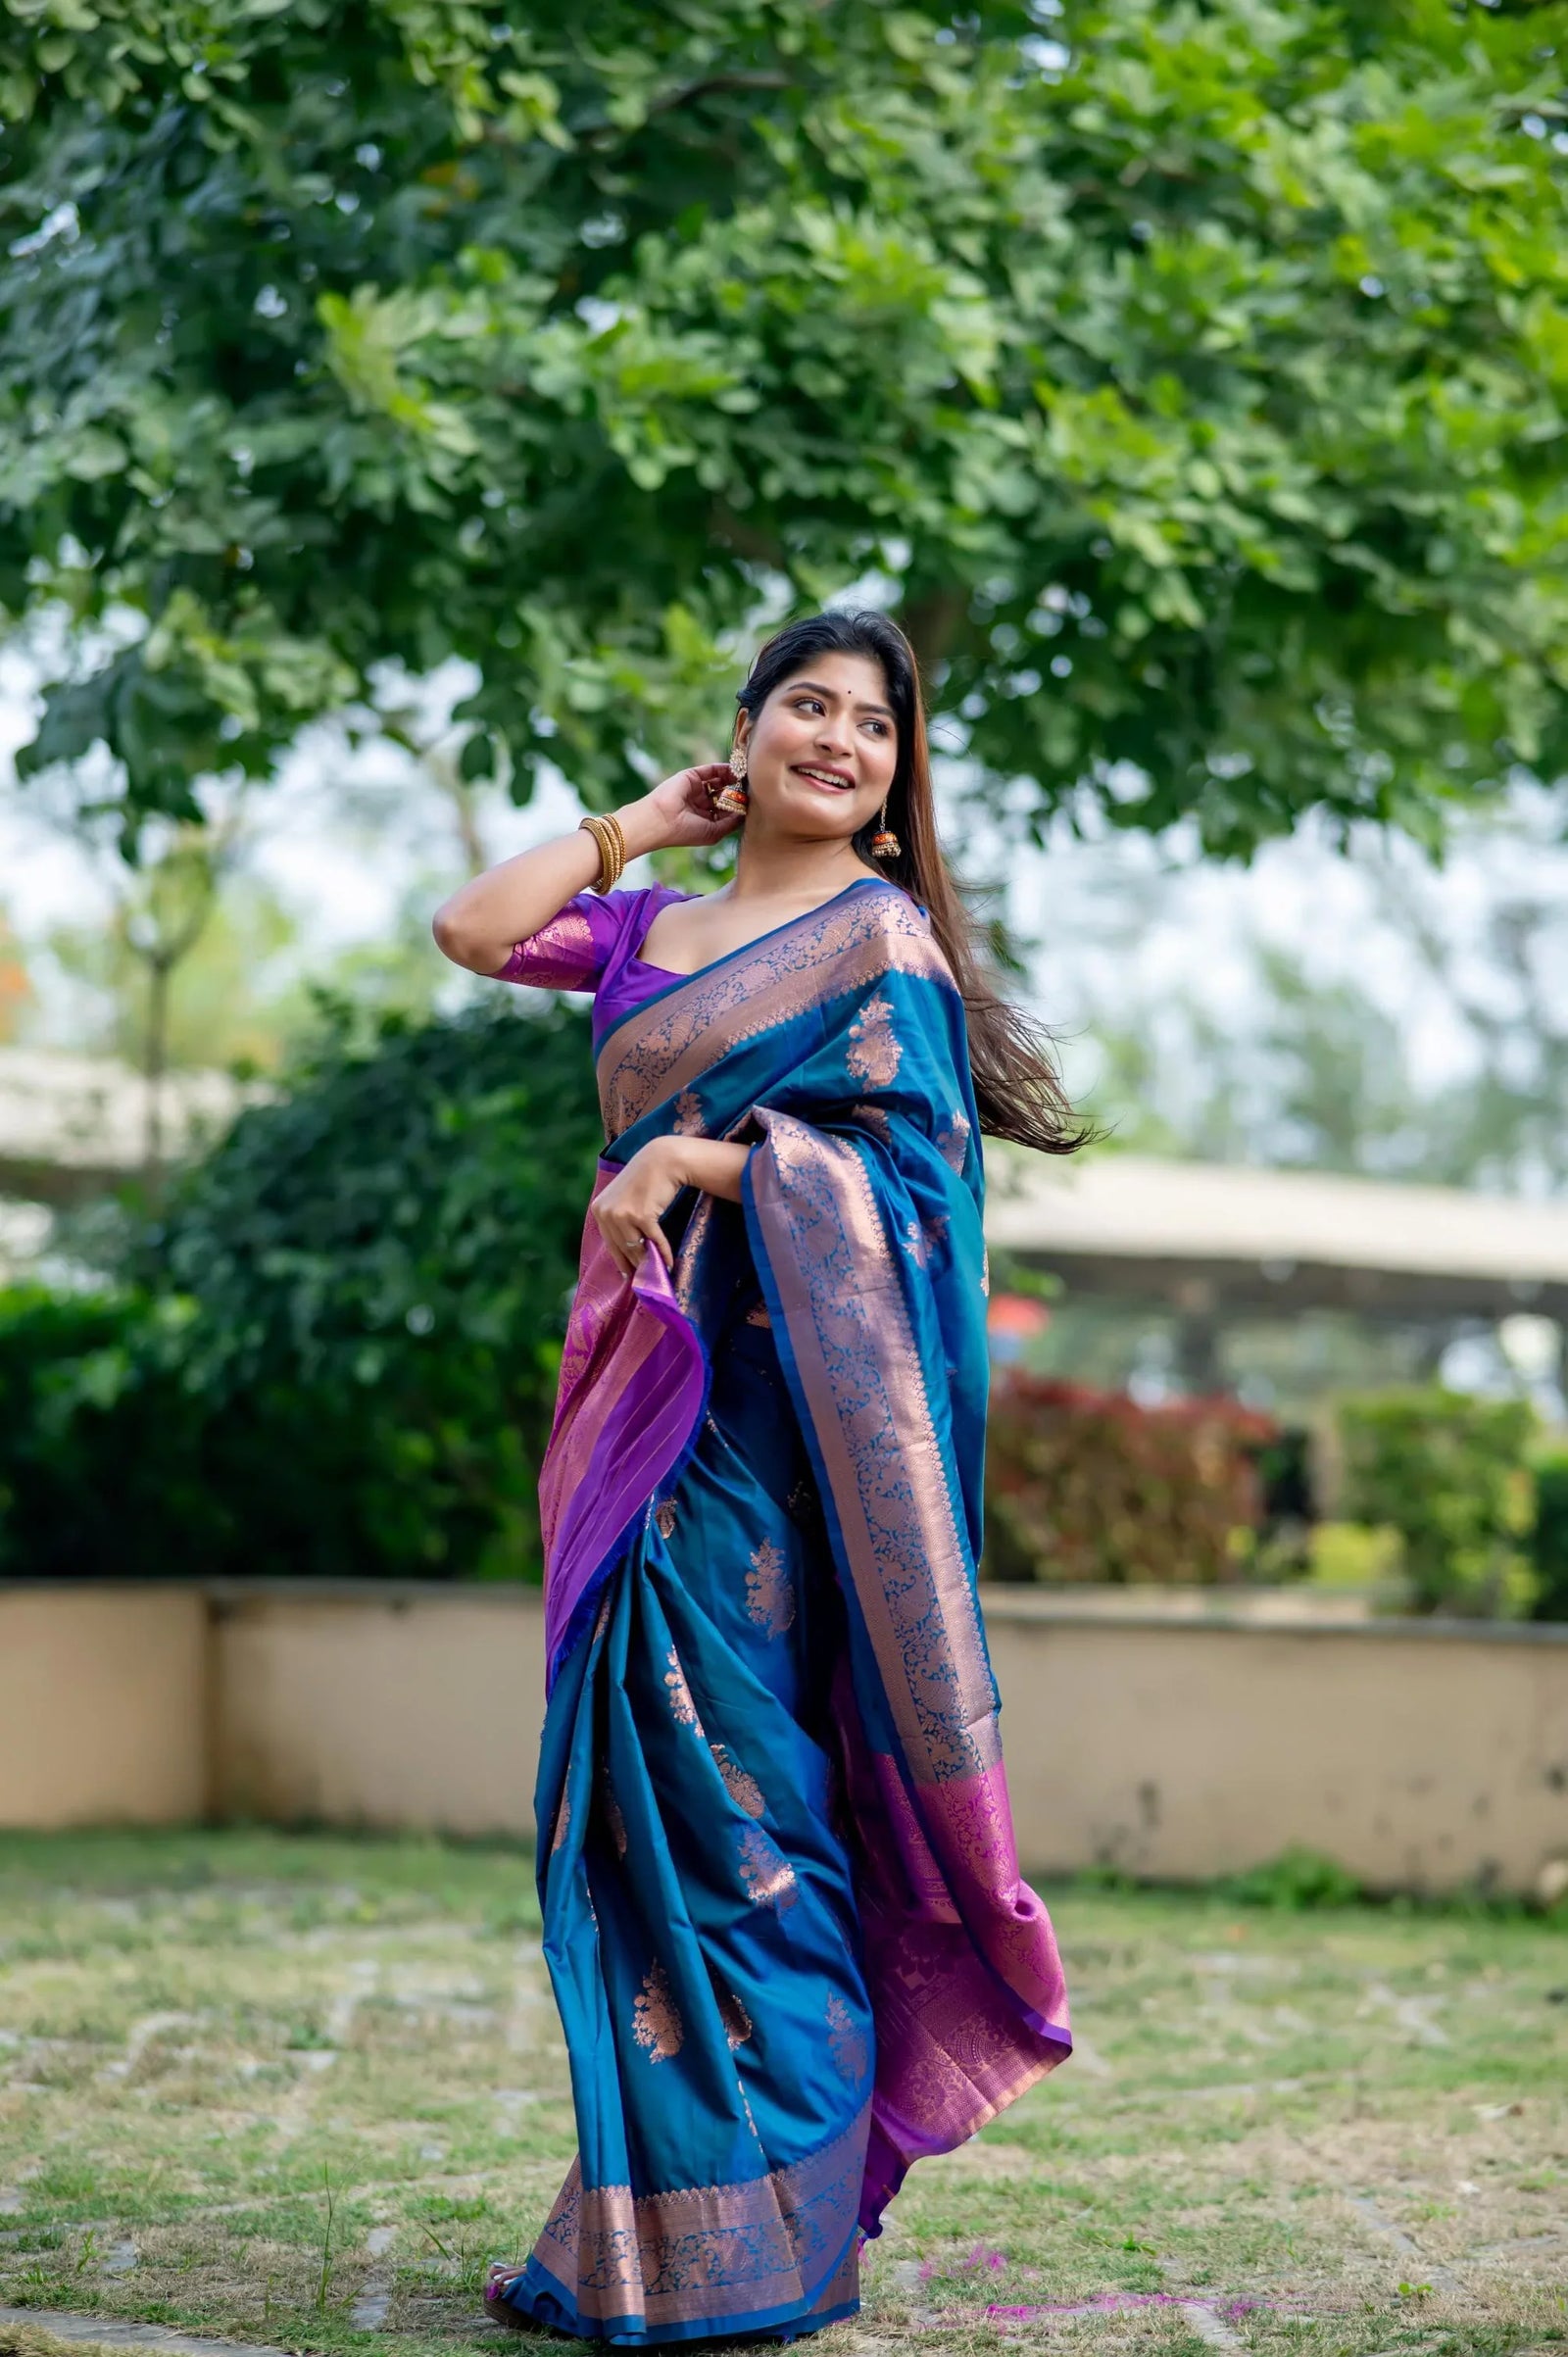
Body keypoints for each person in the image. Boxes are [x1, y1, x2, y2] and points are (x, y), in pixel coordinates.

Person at [432, 610, 1076, 2346]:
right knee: (632, 1824)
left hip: (773, 1437)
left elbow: (919, 1192)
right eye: (810, 704)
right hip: (632, 1410)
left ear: (896, 779)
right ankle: (636, 2226)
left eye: (876, 725)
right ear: (747, 729)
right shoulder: (653, 924)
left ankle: (774, 2236)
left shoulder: (885, 944)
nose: (842, 739)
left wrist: (690, 1150)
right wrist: (645, 821)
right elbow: (472, 927)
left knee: (746, 1816)